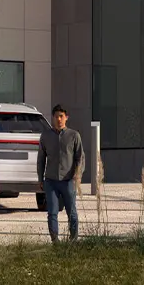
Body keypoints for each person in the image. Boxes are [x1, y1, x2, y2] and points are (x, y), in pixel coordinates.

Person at [37, 103, 83, 243]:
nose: (59, 119)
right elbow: (41, 159)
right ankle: (55, 241)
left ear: (66, 117)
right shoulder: (46, 136)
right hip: (50, 181)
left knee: (72, 213)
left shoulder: (74, 135)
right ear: (53, 117)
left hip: (68, 180)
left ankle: (73, 240)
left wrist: (78, 174)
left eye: (61, 116)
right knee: (52, 212)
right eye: (56, 116)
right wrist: (40, 178)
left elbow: (80, 157)